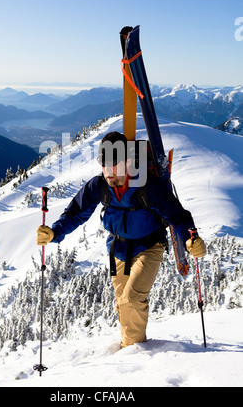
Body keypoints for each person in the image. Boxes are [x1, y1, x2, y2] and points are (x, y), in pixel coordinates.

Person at [36, 131, 206, 348]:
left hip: (149, 246)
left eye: (114, 164)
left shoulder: (147, 186)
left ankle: (135, 353)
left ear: (127, 161)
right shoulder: (98, 186)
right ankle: (130, 348)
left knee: (132, 299)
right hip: (118, 249)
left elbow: (177, 215)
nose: (108, 170)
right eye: (103, 163)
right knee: (122, 303)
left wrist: (191, 239)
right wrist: (54, 232)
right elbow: (76, 213)